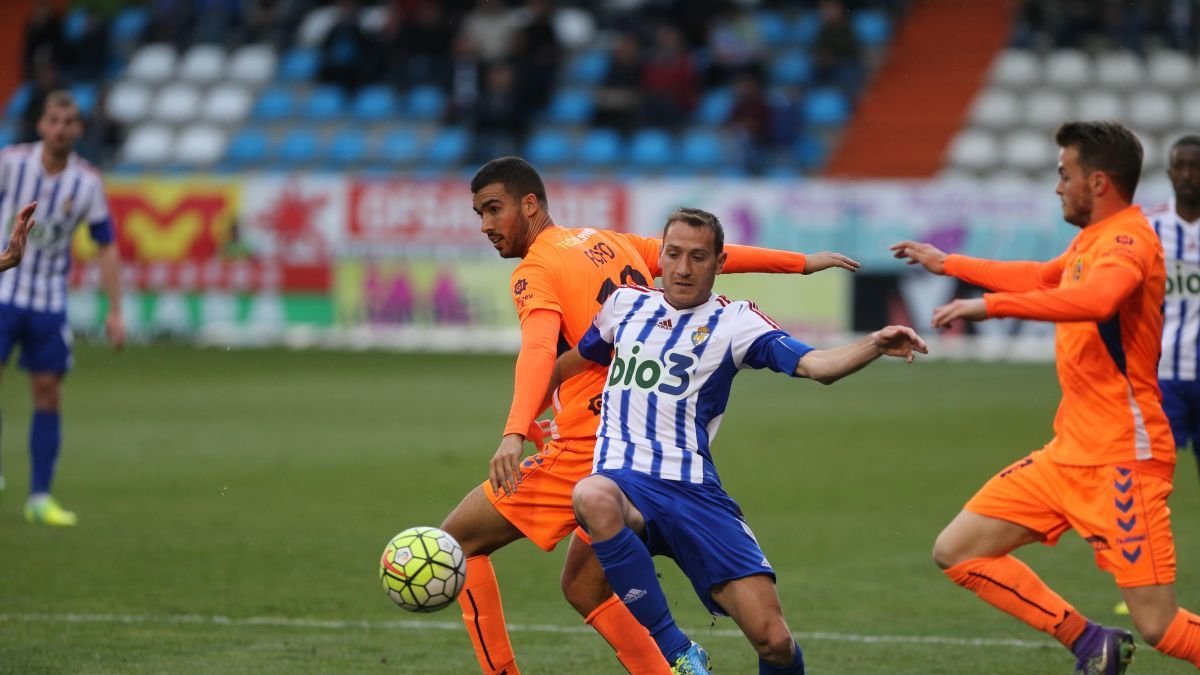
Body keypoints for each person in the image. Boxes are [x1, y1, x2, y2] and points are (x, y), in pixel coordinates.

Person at [438, 156, 860, 675]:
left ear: (529, 205)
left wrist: (512, 432)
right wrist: (799, 262)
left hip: (593, 448)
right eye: (479, 213)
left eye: (493, 210)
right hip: (640, 437)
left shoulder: (536, 270)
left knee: (456, 542)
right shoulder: (607, 241)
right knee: (584, 585)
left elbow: (540, 351)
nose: (485, 225)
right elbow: (704, 254)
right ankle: (676, 668)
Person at [559, 207, 926, 674]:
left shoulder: (736, 322)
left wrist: (875, 344)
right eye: (672, 254)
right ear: (661, 257)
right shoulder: (624, 305)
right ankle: (677, 652)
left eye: (697, 257)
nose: (683, 268)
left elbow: (817, 366)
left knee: (774, 641)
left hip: (695, 495)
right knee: (591, 493)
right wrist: (529, 409)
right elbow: (576, 359)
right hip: (624, 486)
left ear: (720, 261)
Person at [891, 120, 1200, 673]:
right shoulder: (1092, 239)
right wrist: (951, 265)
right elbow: (1041, 277)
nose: (1058, 186)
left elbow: (1098, 300)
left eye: (1065, 175)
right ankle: (1089, 641)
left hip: (1121, 462)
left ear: (1099, 182)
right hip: (1067, 457)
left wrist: (989, 307)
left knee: (1159, 626)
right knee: (957, 550)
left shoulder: (1129, 241)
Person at [0, 90, 125, 525]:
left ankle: (39, 497)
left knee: (48, 393)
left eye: (68, 121)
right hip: (4, 293)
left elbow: (106, 247)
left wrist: (115, 310)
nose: (59, 128)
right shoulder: (11, 163)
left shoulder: (87, 182)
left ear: (79, 130)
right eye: (53, 119)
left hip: (49, 300)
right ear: (41, 125)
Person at [1148, 135, 1200, 476]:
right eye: (1180, 166)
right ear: (1169, 173)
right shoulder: (1148, 227)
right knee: (1150, 475)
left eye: (1195, 167)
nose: (1188, 175)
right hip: (1162, 373)